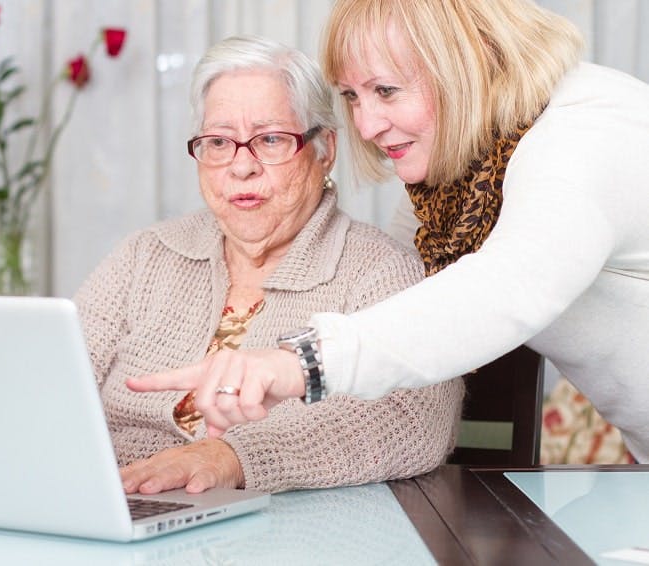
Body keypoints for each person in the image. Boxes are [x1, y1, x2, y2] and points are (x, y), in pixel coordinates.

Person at [128, 0, 649, 464]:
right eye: (353, 96)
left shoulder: (584, 138)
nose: (368, 125)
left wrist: (297, 363)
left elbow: (507, 287)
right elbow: (401, 307)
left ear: (466, 65)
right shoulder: (457, 183)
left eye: (386, 90)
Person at [75, 34, 463, 495]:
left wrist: (233, 457)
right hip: (116, 507)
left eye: (271, 139)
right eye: (219, 142)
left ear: (324, 151)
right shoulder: (145, 255)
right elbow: (49, 380)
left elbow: (417, 420)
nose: (241, 167)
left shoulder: (378, 271)